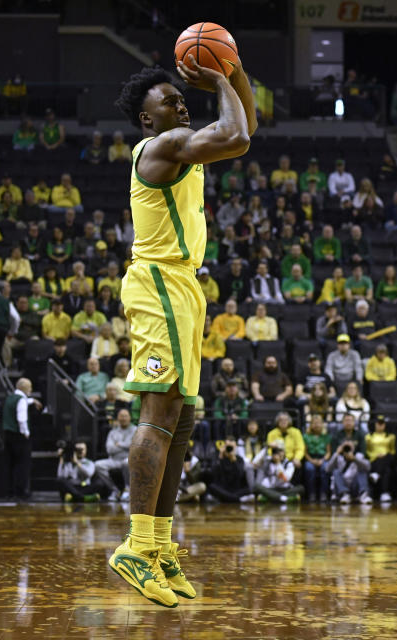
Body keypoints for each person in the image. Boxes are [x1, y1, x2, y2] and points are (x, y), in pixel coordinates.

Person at [108, 56, 257, 608]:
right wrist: (218, 77)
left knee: (183, 415)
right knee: (159, 410)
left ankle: (159, 546)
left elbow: (246, 128)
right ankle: (135, 544)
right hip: (159, 283)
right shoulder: (159, 149)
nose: (179, 104)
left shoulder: (185, 146)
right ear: (147, 121)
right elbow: (238, 135)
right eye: (168, 101)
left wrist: (235, 69)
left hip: (184, 286)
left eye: (180, 98)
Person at [0, 378, 39, 499]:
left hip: (8, 435)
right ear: (24, 388)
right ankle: (21, 491)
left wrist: (32, 401)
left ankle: (10, 491)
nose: (31, 389)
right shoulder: (21, 400)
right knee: (22, 464)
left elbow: (23, 401)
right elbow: (21, 419)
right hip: (19, 435)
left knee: (10, 463)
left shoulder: (11, 397)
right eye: (29, 387)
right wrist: (25, 432)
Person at [207, 436, 255, 503]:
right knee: (211, 487)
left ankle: (225, 498)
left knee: (249, 490)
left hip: (236, 489)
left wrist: (234, 460)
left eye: (231, 447)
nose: (229, 449)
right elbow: (213, 473)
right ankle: (237, 500)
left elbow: (240, 474)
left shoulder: (239, 459)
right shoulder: (218, 457)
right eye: (227, 446)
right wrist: (220, 456)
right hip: (222, 488)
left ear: (235, 448)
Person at [365, 414, 396, 502]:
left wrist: (385, 455)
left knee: (387, 458)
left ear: (385, 425)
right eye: (378, 423)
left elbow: (392, 451)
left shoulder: (390, 437)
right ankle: (384, 493)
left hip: (387, 458)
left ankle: (376, 474)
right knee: (386, 470)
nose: (380, 425)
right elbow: (367, 451)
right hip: (374, 459)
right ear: (375, 424)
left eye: (382, 424)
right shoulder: (369, 436)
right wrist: (375, 456)